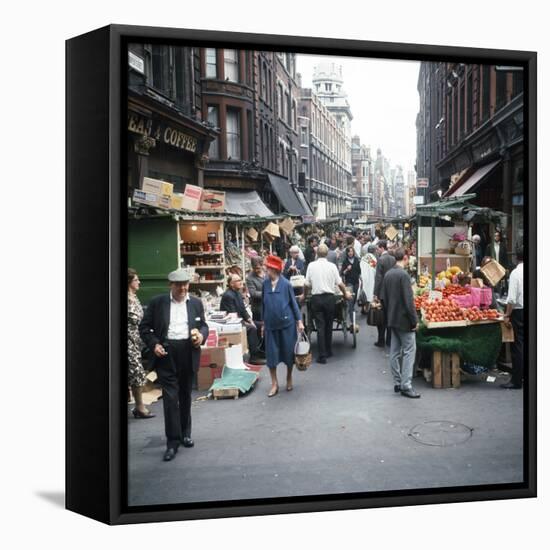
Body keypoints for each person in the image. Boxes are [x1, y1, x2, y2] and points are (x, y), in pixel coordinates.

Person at [139, 268, 209, 461]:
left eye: (186, 284)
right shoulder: (158, 302)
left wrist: (201, 335)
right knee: (170, 398)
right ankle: (172, 441)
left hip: (188, 351)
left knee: (186, 394)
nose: (183, 288)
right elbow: (144, 327)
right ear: (171, 285)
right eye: (179, 285)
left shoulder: (195, 303)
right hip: (167, 353)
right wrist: (154, 344)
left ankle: (186, 433)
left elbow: (204, 325)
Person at [379, 248, 420, 398]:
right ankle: (406, 385)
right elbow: (409, 302)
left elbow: (382, 298)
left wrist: (388, 314)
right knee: (409, 350)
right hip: (403, 320)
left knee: (395, 352)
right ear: (405, 258)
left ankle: (397, 382)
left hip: (392, 319)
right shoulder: (403, 275)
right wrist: (414, 320)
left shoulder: (388, 274)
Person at [261, 255, 304, 397]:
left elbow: (293, 303)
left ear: (273, 270)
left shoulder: (286, 284)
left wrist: (299, 321)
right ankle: (274, 383)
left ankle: (289, 377)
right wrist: (263, 324)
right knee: (271, 356)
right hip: (270, 326)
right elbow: (263, 305)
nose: (266, 270)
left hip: (287, 324)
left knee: (288, 354)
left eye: (267, 268)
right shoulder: (265, 284)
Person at [305, 244, 352, 364]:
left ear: (317, 254)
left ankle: (322, 356)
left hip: (316, 298)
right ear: (327, 254)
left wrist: (304, 296)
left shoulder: (311, 265)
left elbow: (306, 284)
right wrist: (345, 293)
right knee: (328, 325)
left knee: (320, 326)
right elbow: (340, 283)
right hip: (330, 299)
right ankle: (328, 350)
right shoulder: (332, 266)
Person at [220, 273, 265, 365]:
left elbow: (243, 310)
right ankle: (254, 356)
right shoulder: (228, 296)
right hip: (232, 323)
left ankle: (261, 351)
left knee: (261, 325)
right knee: (251, 329)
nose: (241, 282)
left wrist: (250, 320)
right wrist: (247, 323)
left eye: (241, 280)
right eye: (238, 281)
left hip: (239, 320)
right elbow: (233, 315)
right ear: (231, 284)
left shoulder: (237, 293)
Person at [127, 268, 155, 419]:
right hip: (128, 342)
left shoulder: (134, 297)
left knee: (134, 372)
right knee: (137, 372)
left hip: (137, 341)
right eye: (136, 280)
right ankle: (140, 407)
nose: (139, 282)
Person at [501, 247, 524, 390]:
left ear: (516, 257)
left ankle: (516, 380)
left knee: (518, 346)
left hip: (519, 313)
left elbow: (511, 299)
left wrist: (507, 315)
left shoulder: (516, 273)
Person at [373, 239, 396, 347]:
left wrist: (375, 293)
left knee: (381, 317)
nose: (377, 251)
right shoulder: (393, 259)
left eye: (377, 248)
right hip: (392, 292)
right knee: (390, 316)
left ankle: (381, 340)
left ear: (382, 248)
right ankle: (389, 340)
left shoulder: (380, 260)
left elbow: (378, 278)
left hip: (382, 292)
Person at [340, 245, 362, 328]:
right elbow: (342, 273)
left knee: (354, 298)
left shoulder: (356, 260)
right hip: (349, 282)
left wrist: (361, 280)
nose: (350, 253)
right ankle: (352, 320)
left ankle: (351, 312)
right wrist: (346, 270)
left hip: (356, 281)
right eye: (349, 251)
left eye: (352, 251)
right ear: (347, 253)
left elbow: (359, 271)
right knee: (351, 300)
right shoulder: (345, 261)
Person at [246, 256, 265, 326]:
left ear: (262, 265)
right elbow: (253, 293)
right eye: (254, 268)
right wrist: (267, 293)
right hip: (258, 309)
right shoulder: (250, 278)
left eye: (258, 268)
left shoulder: (267, 273)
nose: (256, 270)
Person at [359, 244, 377, 314]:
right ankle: (367, 308)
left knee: (363, 293)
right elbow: (374, 269)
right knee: (369, 293)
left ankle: (364, 307)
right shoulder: (373, 259)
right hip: (370, 278)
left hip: (363, 277)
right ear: (374, 251)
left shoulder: (363, 257)